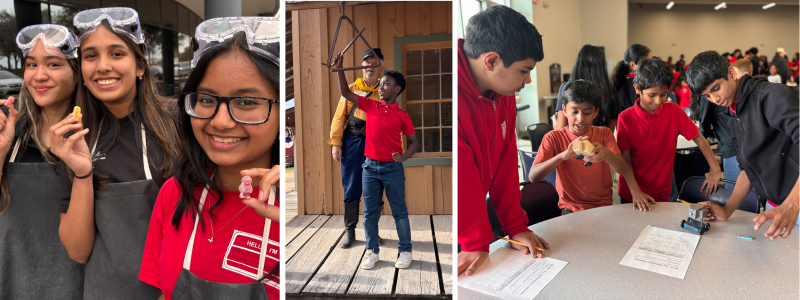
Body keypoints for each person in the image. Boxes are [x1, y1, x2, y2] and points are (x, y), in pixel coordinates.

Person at [139, 17, 280, 300]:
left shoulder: (289, 213)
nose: (222, 122)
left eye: (247, 102)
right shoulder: (175, 194)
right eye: (205, 99)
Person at [52, 7, 180, 299]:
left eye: (117, 53)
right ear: (81, 71)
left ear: (140, 66)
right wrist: (83, 172)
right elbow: (78, 250)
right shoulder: (76, 136)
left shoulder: (180, 121)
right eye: (91, 56)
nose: (103, 66)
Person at [457, 5, 550, 277]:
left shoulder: (503, 92)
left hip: (471, 226)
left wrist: (516, 225)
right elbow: (461, 176)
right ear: (491, 61)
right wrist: (475, 241)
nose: (528, 79)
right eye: (524, 71)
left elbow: (506, 163)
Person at [0, 24, 84, 299]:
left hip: (79, 288)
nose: (39, 75)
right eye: (31, 64)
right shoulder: (10, 133)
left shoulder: (94, 138)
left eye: (53, 64)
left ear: (77, 72)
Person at [687, 51, 799, 239]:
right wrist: (727, 210)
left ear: (731, 73)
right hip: (777, 206)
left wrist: (792, 204)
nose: (714, 99)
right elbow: (747, 170)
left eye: (716, 88)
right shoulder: (732, 113)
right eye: (707, 96)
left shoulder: (769, 96)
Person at [330, 52, 419, 270]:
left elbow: (414, 142)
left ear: (396, 89)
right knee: (364, 206)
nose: (381, 87)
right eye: (380, 84)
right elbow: (344, 94)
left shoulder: (401, 115)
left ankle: (405, 250)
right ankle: (368, 247)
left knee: (399, 212)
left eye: (386, 84)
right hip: (365, 161)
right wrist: (340, 68)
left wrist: (404, 156)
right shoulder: (370, 105)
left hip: (392, 168)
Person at [530, 80, 654, 213]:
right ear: (565, 110)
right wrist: (563, 155)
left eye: (587, 113)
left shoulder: (604, 134)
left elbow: (623, 168)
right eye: (574, 112)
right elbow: (533, 177)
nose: (580, 119)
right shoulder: (553, 138)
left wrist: (606, 154)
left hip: (603, 206)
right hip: (570, 208)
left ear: (595, 112)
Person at [616, 56, 721, 206]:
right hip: (632, 192)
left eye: (663, 94)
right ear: (637, 88)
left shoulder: (674, 111)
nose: (658, 101)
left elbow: (699, 139)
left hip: (663, 192)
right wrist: (635, 191)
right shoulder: (625, 119)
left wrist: (716, 170)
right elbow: (625, 161)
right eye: (652, 95)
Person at [329, 48, 386, 249]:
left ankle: (373, 231)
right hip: (353, 142)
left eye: (374, 63)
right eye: (366, 63)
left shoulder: (386, 91)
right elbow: (339, 117)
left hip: (376, 144)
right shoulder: (351, 89)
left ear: (380, 67)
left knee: (376, 187)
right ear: (362, 66)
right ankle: (350, 231)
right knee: (352, 186)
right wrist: (336, 143)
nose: (370, 66)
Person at [554, 45, 617, 132]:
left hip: (573, 143)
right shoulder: (610, 91)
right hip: (600, 143)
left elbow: (560, 130)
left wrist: (554, 121)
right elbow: (610, 130)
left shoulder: (567, 88)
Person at [690, 93, 738, 189]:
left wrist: (701, 139)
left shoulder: (709, 94)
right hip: (742, 143)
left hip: (731, 146)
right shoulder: (729, 89)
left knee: (734, 190)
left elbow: (704, 125)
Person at [612, 44, 651, 113]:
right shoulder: (640, 84)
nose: (650, 65)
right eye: (647, 62)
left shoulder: (618, 81)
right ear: (633, 65)